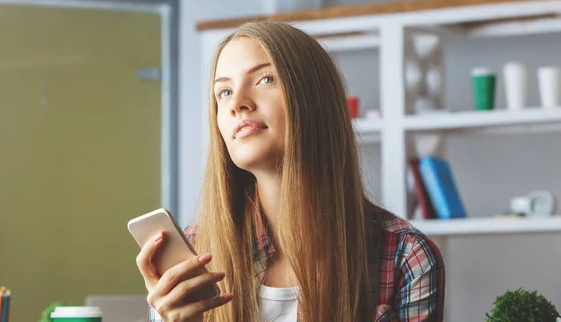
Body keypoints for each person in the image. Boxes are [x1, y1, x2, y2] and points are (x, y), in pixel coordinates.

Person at [136, 21, 445, 322]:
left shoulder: (406, 257)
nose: (237, 104)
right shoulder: (194, 252)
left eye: (265, 79)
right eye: (224, 92)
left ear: (314, 100)